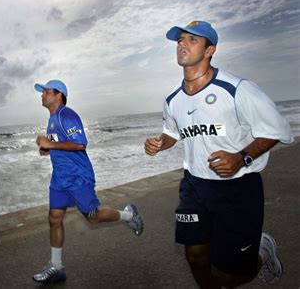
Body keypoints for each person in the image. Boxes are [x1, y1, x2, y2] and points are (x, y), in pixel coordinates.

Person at [144, 21, 293, 288]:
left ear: (210, 49)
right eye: (180, 40)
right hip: (194, 186)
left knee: (230, 275)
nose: (182, 44)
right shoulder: (173, 99)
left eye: (192, 40)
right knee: (195, 256)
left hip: (237, 189)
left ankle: (262, 251)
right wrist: (159, 142)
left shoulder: (237, 88)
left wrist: (241, 157)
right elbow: (174, 132)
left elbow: (277, 129)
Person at [32, 79, 144, 284]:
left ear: (59, 95)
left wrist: (49, 143)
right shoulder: (52, 119)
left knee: (93, 216)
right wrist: (47, 148)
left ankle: (128, 215)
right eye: (43, 92)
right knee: (54, 219)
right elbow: (61, 145)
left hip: (78, 177)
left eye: (46, 91)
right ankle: (56, 267)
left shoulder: (67, 114)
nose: (42, 95)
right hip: (60, 179)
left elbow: (80, 144)